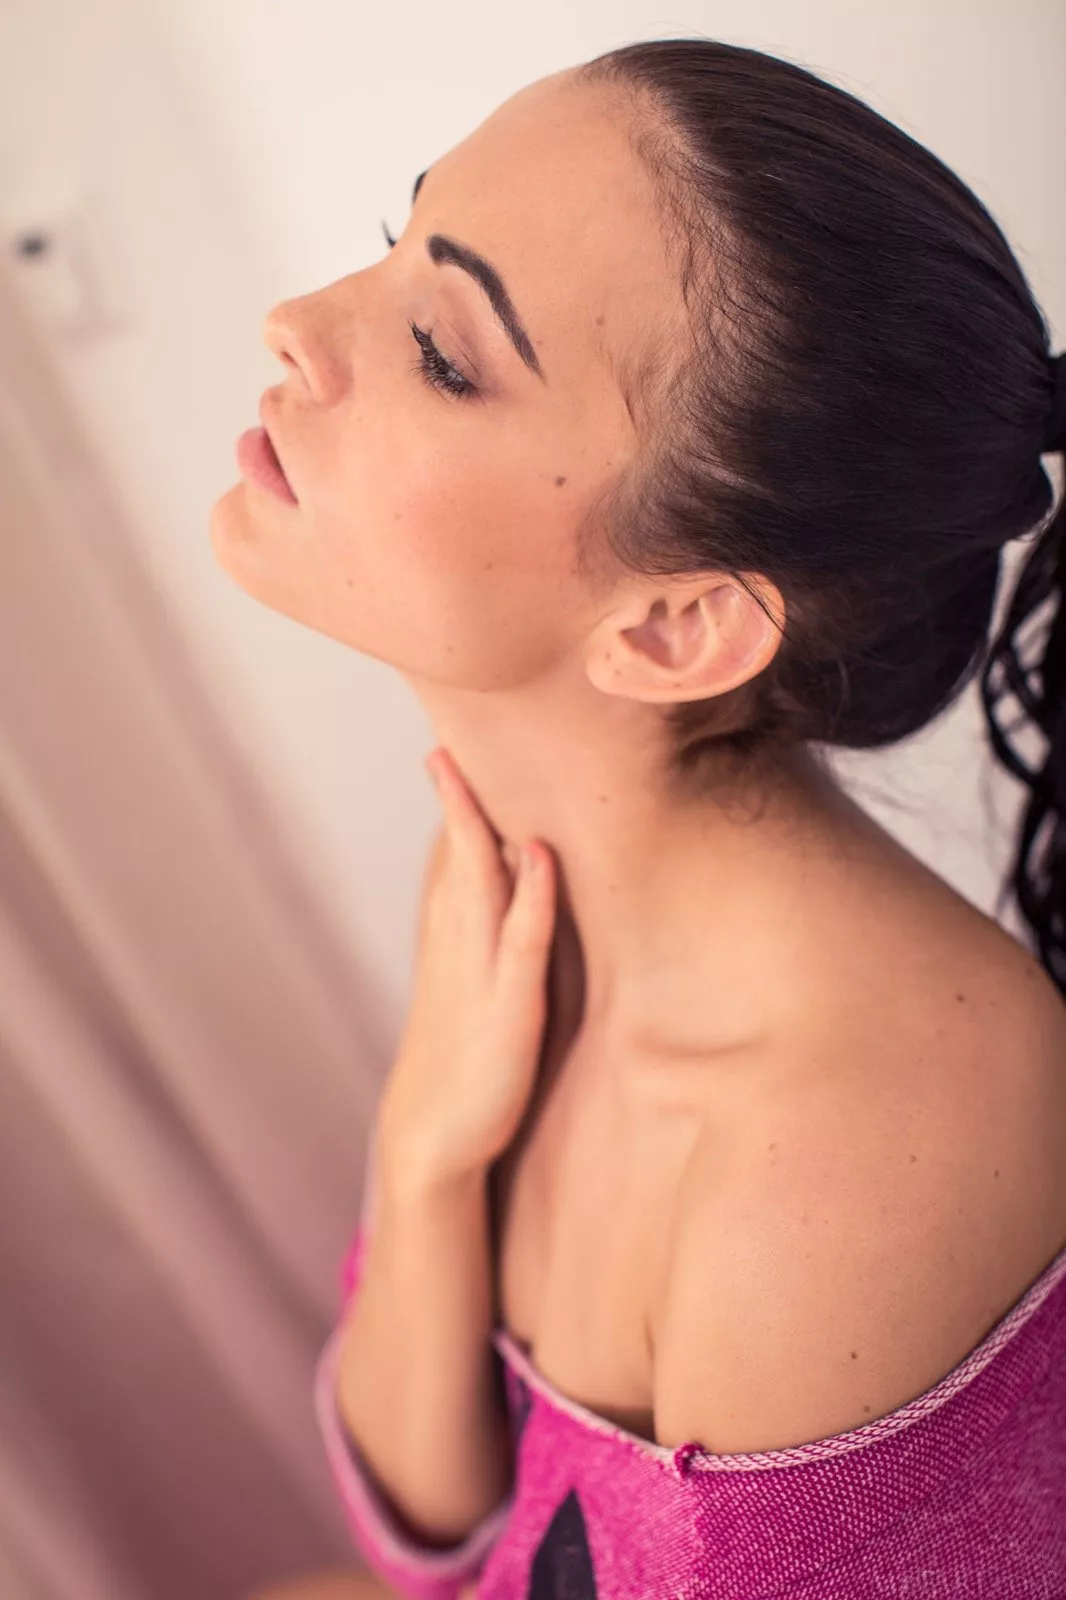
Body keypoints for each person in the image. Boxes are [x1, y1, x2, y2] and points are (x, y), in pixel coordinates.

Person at [212, 35, 1066, 1600]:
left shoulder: (846, 1159)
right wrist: (425, 1155)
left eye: (442, 351)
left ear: (675, 626)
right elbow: (430, 1530)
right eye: (399, 235)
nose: (299, 323)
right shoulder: (515, 885)